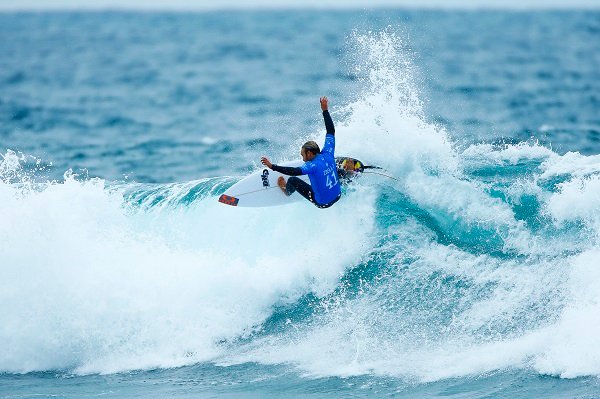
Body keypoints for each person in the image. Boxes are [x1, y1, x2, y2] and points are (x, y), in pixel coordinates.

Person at [261, 96, 341, 208]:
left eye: (303, 155)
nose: (303, 159)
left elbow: (294, 171)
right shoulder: (328, 152)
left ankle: (287, 191)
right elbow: (331, 130)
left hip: (323, 203)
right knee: (334, 165)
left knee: (293, 180)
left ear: (309, 153)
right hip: (338, 195)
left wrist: (272, 166)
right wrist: (325, 110)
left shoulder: (311, 166)